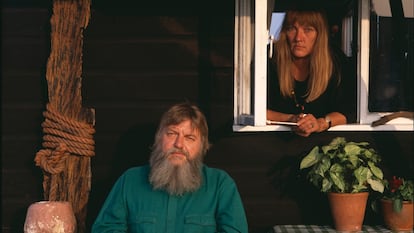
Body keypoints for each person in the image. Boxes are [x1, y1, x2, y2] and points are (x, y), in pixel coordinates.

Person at [92, 102, 249, 233]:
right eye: (172, 134)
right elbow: (105, 229)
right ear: (158, 139)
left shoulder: (220, 185)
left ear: (203, 146)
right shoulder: (130, 180)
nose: (179, 144)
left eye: (189, 137)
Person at [267, 9, 355, 137]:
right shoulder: (271, 61)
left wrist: (321, 123)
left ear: (320, 35)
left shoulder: (336, 63)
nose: (298, 38)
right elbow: (256, 110)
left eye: (307, 30)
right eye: (292, 29)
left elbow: (349, 112)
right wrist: (291, 119)